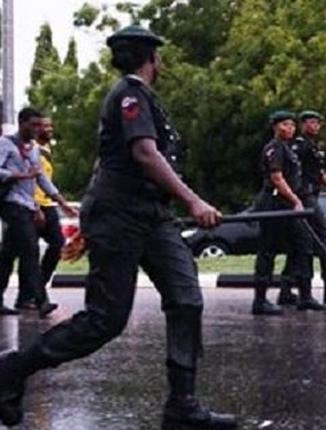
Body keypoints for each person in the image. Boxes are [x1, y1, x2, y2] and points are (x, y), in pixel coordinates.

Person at [0, 26, 236, 428]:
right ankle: (13, 369)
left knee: (186, 299)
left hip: (151, 217)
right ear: (153, 59)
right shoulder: (129, 95)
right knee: (105, 320)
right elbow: (144, 153)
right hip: (120, 217)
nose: (161, 63)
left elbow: (109, 160)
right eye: (160, 58)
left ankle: (182, 406)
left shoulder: (143, 99)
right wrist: (193, 201)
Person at [0, 109, 76, 318]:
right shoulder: (6, 144)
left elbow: (41, 179)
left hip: (27, 204)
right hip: (10, 204)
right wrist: (19, 175)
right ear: (21, 123)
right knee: (30, 249)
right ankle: (41, 300)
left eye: (38, 125)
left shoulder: (33, 149)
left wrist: (62, 203)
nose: (37, 129)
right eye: (33, 125)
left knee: (8, 253)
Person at [276, 110, 326, 306]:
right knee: (325, 238)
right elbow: (287, 172)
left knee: (301, 244)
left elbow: (320, 175)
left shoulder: (312, 147)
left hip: (309, 197)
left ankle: (287, 290)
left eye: (318, 123)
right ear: (303, 125)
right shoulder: (299, 146)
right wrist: (294, 196)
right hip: (304, 198)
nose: (316, 126)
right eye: (311, 123)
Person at [251, 110, 326, 315]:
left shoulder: (288, 149)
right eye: (285, 125)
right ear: (275, 127)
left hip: (289, 206)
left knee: (303, 246)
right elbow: (277, 178)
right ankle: (260, 300)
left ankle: (304, 295)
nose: (289, 129)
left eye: (292, 125)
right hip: (275, 204)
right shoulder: (274, 148)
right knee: (268, 250)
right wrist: (295, 200)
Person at [14, 117, 66, 310]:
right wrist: (35, 207)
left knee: (57, 244)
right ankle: (28, 296)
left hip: (48, 204)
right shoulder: (30, 150)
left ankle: (35, 293)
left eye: (50, 126)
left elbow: (45, 180)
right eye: (45, 126)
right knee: (28, 251)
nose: (49, 129)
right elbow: (31, 181)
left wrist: (61, 202)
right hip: (34, 205)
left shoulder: (45, 151)